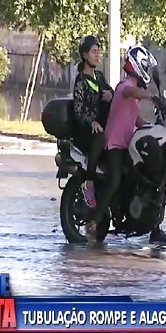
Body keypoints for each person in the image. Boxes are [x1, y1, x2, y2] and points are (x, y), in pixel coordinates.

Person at [86, 44, 166, 245]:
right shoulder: (124, 86)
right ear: (137, 65)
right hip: (114, 145)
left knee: (148, 181)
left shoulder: (134, 93)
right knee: (115, 180)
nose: (148, 71)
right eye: (145, 66)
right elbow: (130, 92)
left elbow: (136, 120)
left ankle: (154, 229)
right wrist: (152, 97)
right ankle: (94, 221)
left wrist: (152, 127)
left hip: (127, 144)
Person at [72, 35, 113, 208]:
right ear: (85, 55)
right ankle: (89, 183)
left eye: (98, 52)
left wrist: (111, 95)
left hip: (103, 125)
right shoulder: (81, 82)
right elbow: (78, 111)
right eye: (93, 52)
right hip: (87, 131)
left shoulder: (99, 77)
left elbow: (111, 92)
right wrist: (92, 123)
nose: (97, 55)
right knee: (100, 137)